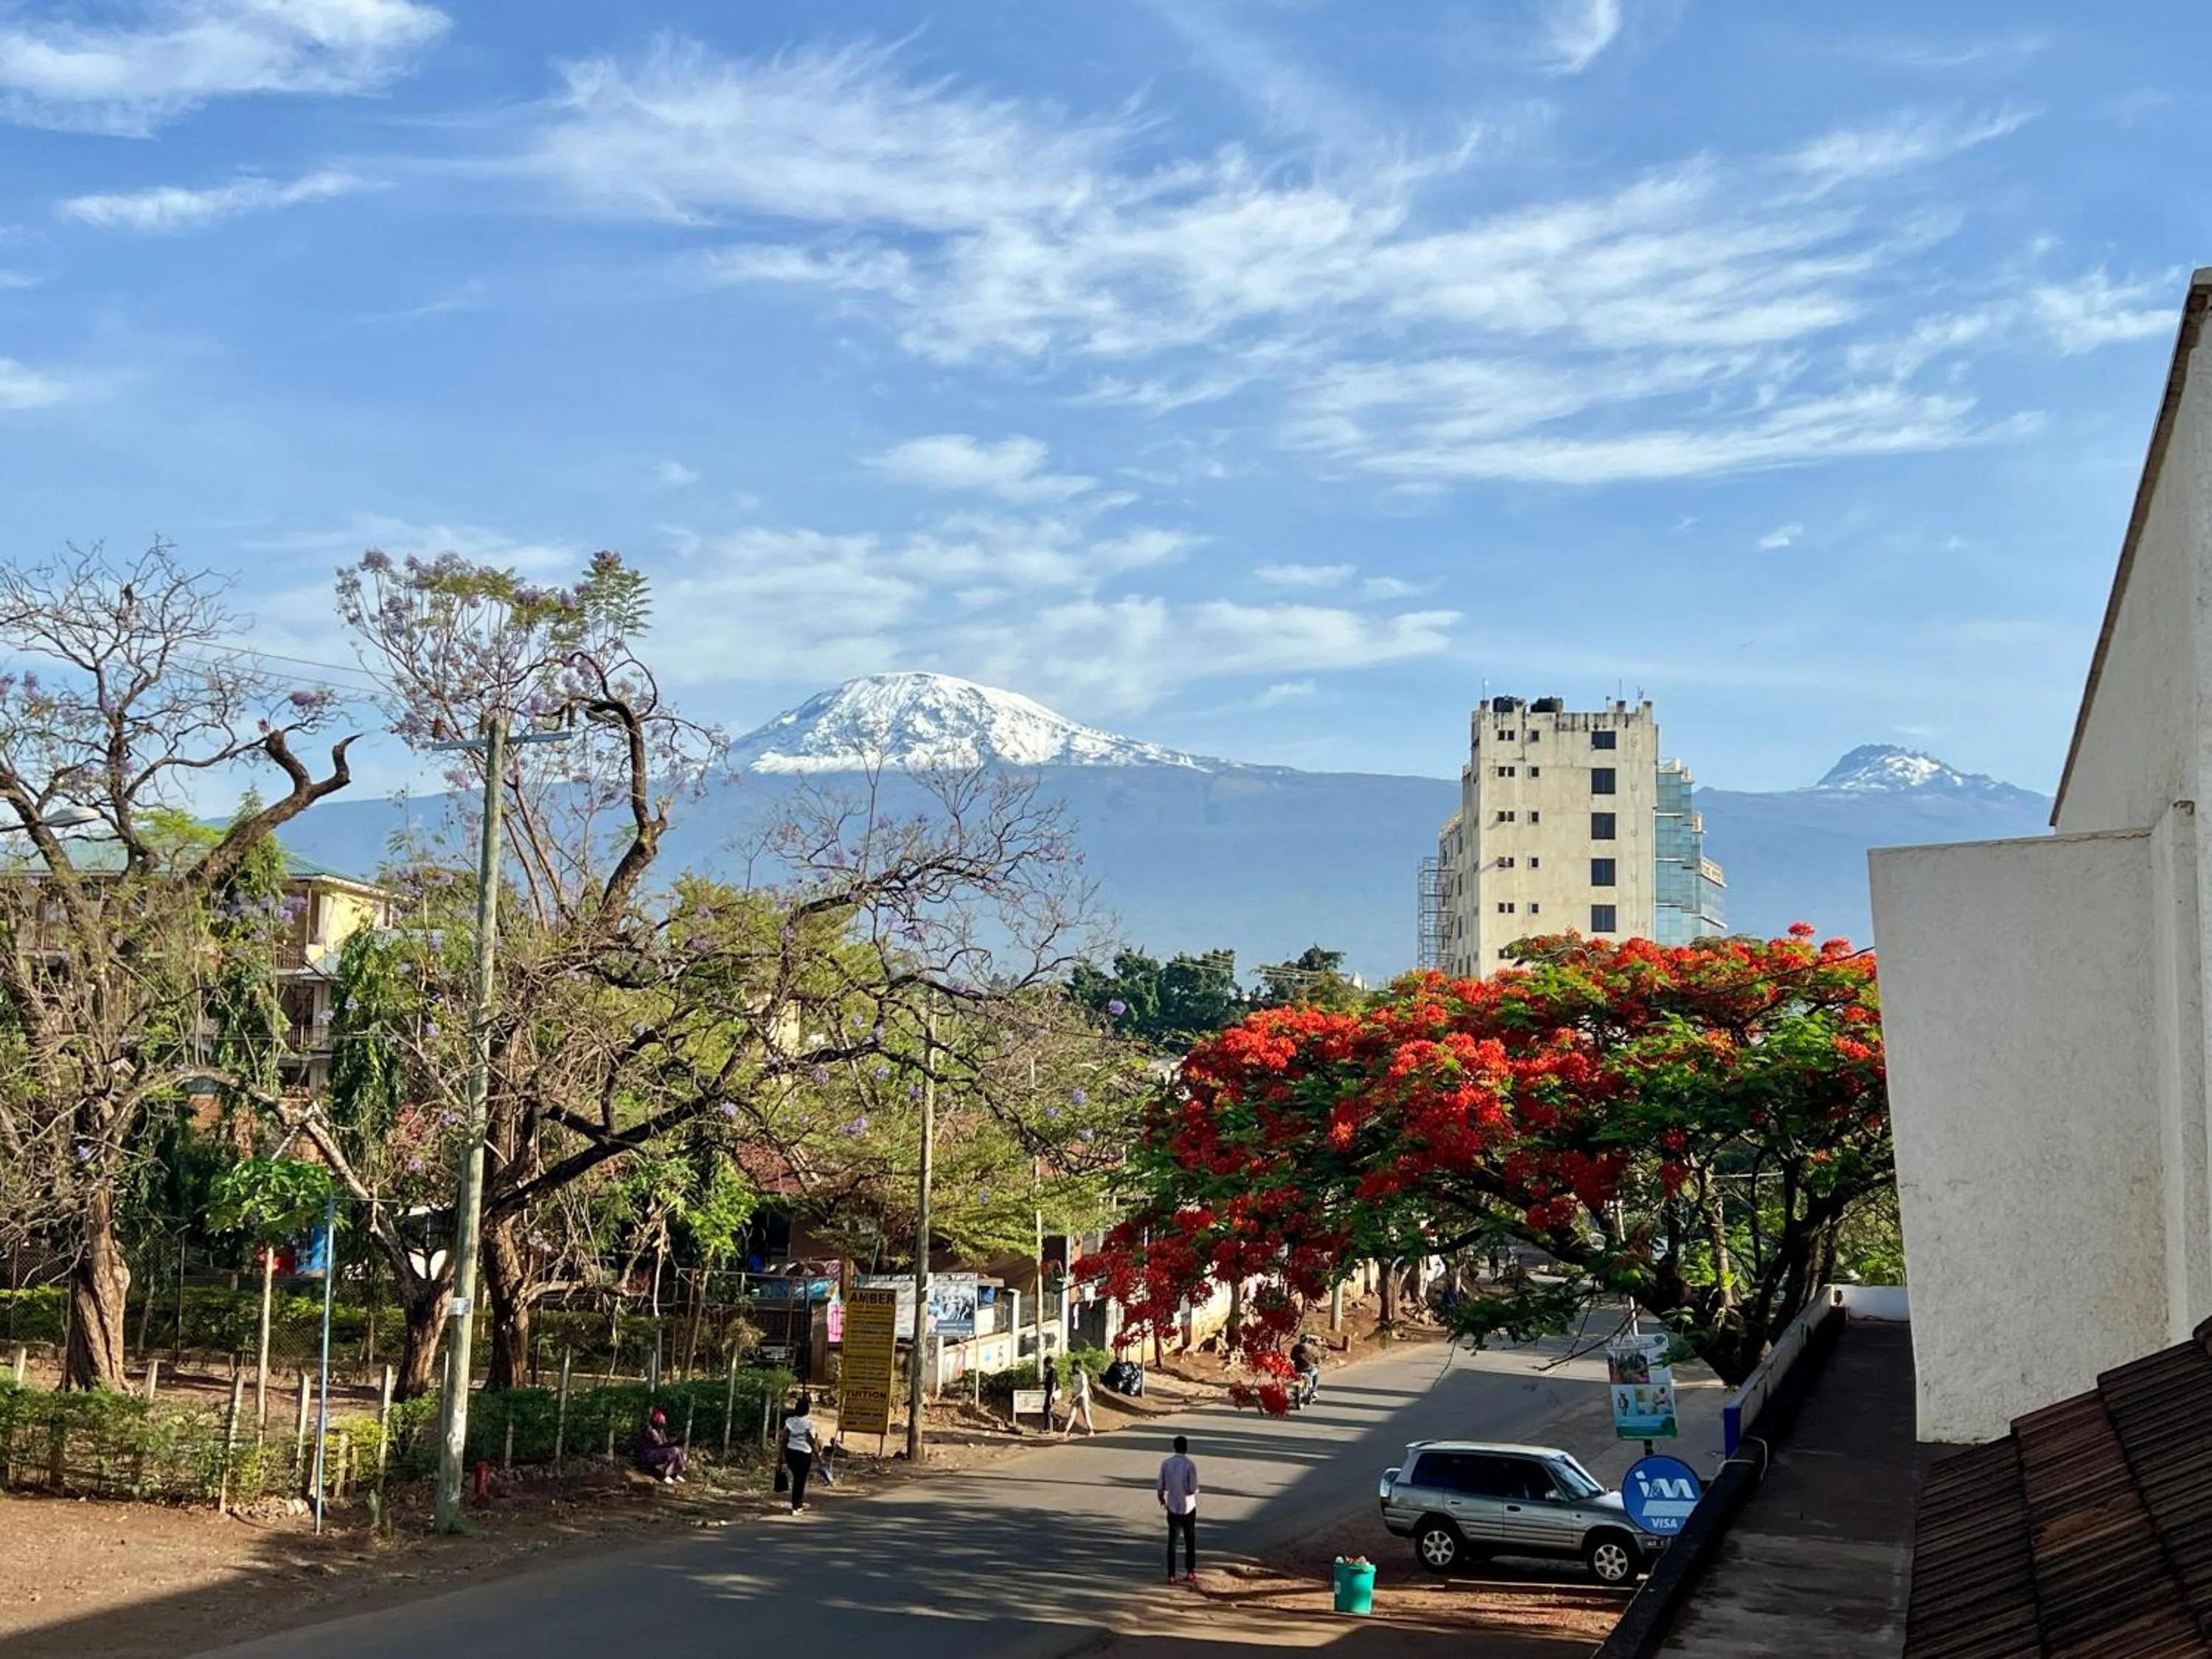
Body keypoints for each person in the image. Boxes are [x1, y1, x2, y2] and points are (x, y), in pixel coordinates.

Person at [1157, 1433, 1200, 1584]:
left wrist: (1162, 1499)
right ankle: (1190, 1572)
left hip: (1173, 1506)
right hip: (1188, 1507)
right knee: (1190, 1540)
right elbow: (1192, 1488)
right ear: (1186, 1448)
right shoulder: (1190, 1465)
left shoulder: (1166, 1464)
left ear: (1175, 1448)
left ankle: (1171, 1575)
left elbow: (1161, 1486)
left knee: (1172, 1542)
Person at [780, 1392, 821, 1513]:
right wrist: (818, 1456)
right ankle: (797, 1505)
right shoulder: (808, 1424)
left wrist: (781, 1455)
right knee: (800, 1480)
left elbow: (784, 1439)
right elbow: (811, 1441)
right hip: (804, 1454)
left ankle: (796, 1503)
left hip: (791, 1452)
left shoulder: (789, 1421)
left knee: (796, 1479)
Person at [639, 1408, 686, 1484]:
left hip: (657, 1452)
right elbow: (660, 1445)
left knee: (678, 1450)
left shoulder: (661, 1431)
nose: (664, 1424)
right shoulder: (652, 1431)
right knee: (673, 1451)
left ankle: (674, 1474)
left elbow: (665, 1444)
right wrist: (673, 1444)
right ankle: (664, 1475)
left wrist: (676, 1443)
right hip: (649, 1455)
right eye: (662, 1422)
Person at [1060, 1363, 1096, 1437]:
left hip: (1083, 1396)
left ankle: (1091, 1430)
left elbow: (1083, 1389)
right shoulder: (1074, 1376)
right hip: (1076, 1396)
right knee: (1072, 1414)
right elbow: (1075, 1387)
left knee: (1085, 1413)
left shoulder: (1083, 1375)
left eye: (1074, 1367)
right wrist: (1073, 1396)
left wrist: (1075, 1398)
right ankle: (1066, 1431)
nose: (1073, 1368)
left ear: (1078, 1367)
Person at [1290, 1336, 1319, 1406]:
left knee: (1296, 1377)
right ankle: (1313, 1390)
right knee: (1316, 1373)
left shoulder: (1296, 1347)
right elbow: (1317, 1360)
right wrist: (1316, 1362)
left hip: (1298, 1368)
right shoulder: (1313, 1348)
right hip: (1309, 1369)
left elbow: (1292, 1358)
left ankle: (1295, 1391)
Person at [1041, 1354, 1060, 1428]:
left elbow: (1053, 1384)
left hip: (1052, 1393)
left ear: (1049, 1364)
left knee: (1047, 1409)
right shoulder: (1051, 1372)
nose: (1045, 1366)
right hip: (1049, 1392)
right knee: (1046, 1409)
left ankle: (1057, 1420)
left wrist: (1051, 1395)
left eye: (1046, 1365)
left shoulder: (1053, 1372)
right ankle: (1047, 1427)